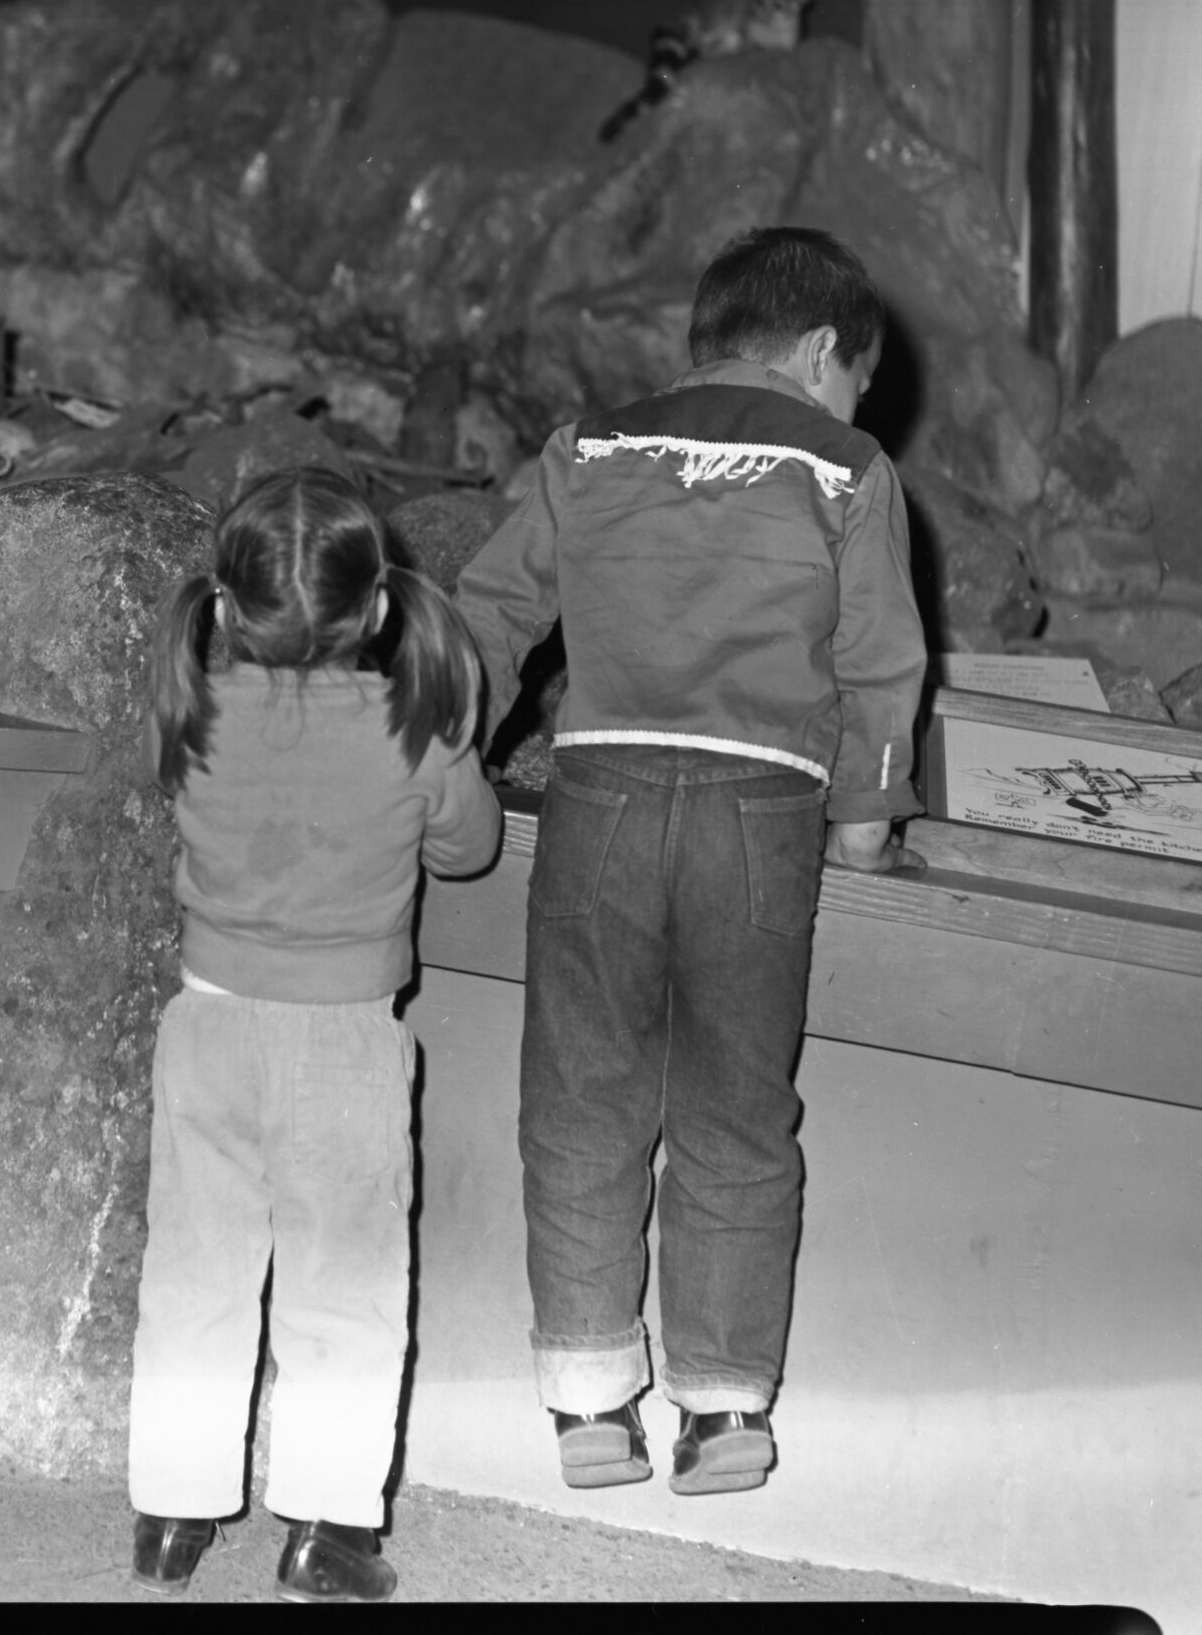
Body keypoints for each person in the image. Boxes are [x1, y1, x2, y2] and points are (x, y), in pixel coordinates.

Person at [453, 225, 924, 1500]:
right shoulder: (849, 467)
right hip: (762, 812)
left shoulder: (588, 450)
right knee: (736, 1111)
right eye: (857, 380)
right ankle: (723, 1408)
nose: (853, 403)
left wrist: (452, 746)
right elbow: (882, 662)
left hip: (599, 788)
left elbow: (494, 612)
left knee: (584, 1095)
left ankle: (592, 1397)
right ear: (827, 351)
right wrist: (869, 822)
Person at [125, 466, 504, 1605]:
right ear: (380, 610)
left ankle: (172, 1511)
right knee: (344, 1286)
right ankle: (326, 1528)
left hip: (207, 1025)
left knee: (194, 1271)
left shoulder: (189, 707)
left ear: (227, 608)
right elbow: (469, 847)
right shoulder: (413, 727)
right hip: (343, 1039)